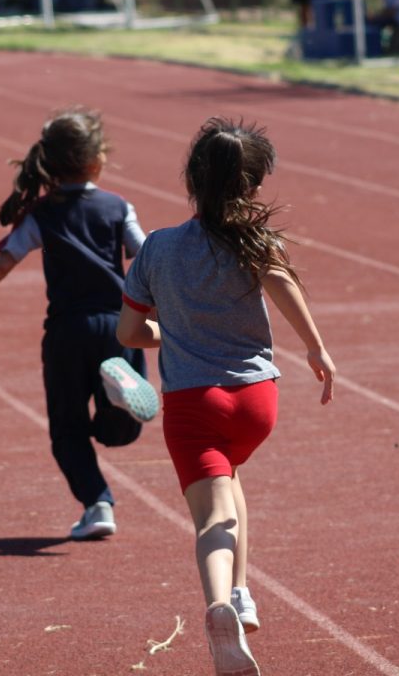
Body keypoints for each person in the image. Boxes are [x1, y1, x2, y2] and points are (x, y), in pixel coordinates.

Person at [116, 118, 336, 676]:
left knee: (213, 518)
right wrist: (315, 348)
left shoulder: (158, 249)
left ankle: (218, 605)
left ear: (192, 178)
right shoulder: (259, 242)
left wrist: (171, 333)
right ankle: (242, 595)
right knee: (231, 477)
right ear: (255, 183)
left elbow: (129, 334)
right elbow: (282, 285)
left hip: (194, 403)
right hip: (257, 400)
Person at [0, 109, 153, 540]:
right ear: (97, 161)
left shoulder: (41, 214)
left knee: (67, 427)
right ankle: (115, 398)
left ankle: (98, 503)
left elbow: (5, 259)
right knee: (118, 431)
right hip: (119, 325)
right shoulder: (118, 207)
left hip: (67, 332)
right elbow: (144, 255)